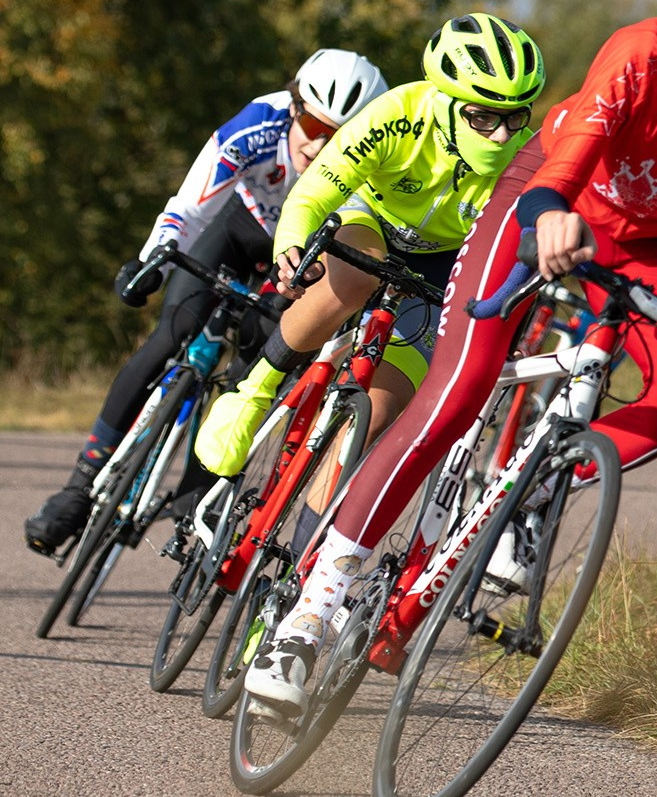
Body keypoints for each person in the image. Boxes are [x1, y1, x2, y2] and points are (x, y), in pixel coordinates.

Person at [242, 0, 657, 716]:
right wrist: (549, 217)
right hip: (543, 200)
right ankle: (307, 618)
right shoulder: (642, 55)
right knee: (455, 396)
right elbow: (560, 177)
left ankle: (531, 494)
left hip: (645, 246)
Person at [24, 50, 387, 556]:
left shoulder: (366, 165)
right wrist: (151, 263)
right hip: (236, 231)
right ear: (293, 106)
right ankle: (78, 487)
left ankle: (196, 497)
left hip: (293, 262)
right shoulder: (257, 126)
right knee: (172, 334)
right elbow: (189, 210)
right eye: (312, 125)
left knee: (253, 370)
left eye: (337, 135)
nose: (319, 144)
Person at [195, 12, 548, 480]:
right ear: (445, 99)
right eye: (482, 117)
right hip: (371, 219)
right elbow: (315, 192)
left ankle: (313, 527)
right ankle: (254, 391)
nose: (501, 135)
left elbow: (517, 259)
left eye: (515, 117)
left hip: (443, 259)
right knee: (358, 275)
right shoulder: (398, 114)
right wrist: (291, 248)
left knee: (378, 412)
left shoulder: (523, 160)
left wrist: (507, 337)